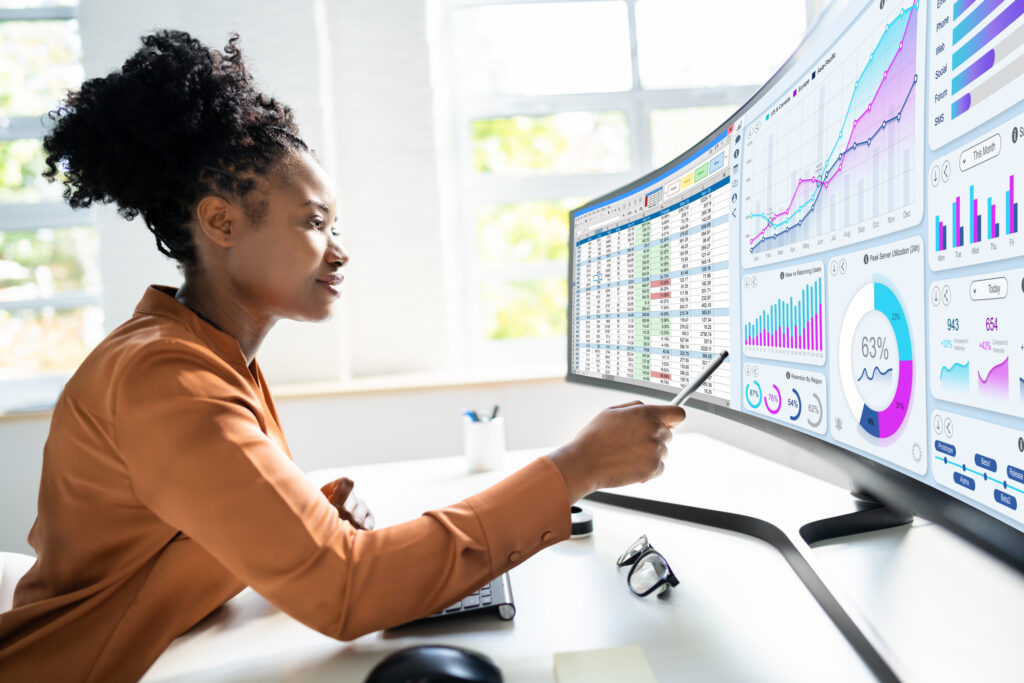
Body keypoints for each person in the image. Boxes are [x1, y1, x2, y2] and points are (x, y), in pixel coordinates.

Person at [0, 31, 685, 682]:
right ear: (222, 222)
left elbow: (170, 535)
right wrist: (576, 467)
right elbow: (347, 589)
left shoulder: (197, 352)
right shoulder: (168, 379)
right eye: (314, 221)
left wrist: (307, 512)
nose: (340, 248)